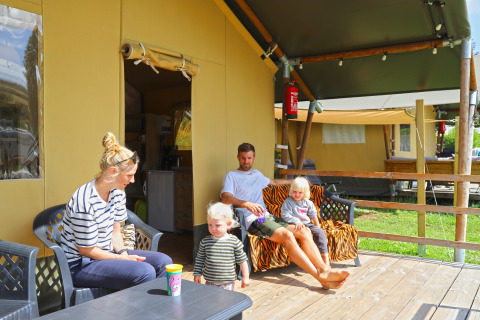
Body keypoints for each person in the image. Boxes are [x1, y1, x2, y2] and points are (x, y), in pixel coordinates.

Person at [221, 142, 349, 289]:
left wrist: (294, 181)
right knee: (287, 236)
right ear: (238, 157)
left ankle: (325, 270)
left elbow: (274, 182)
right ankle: (320, 277)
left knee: (304, 230)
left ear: (254, 158)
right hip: (252, 220)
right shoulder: (231, 176)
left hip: (266, 217)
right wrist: (247, 204)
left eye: (249, 158)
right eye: (243, 158)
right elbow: (225, 198)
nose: (246, 161)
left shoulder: (256, 174)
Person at [60, 132, 172, 290]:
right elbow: (87, 249)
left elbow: (115, 232)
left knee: (164, 262)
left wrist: (123, 252)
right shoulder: (84, 200)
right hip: (81, 264)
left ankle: (157, 309)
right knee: (145, 272)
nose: (133, 180)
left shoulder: (117, 192)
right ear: (112, 171)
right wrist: (121, 259)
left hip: (107, 255)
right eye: (129, 175)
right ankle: (138, 312)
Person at [194, 202, 250, 290]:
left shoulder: (233, 241)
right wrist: (197, 273)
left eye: (217, 225)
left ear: (228, 224)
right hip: (209, 282)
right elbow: (200, 259)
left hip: (227, 284)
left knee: (225, 303)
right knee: (209, 302)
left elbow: (242, 260)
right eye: (210, 225)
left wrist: (245, 277)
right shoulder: (205, 242)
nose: (213, 228)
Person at [281, 176, 330, 266]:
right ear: (291, 191)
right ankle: (309, 259)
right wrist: (296, 221)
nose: (297, 194)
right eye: (295, 191)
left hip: (307, 224)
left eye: (300, 192)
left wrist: (317, 226)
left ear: (305, 193)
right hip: (293, 225)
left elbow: (313, 215)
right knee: (306, 236)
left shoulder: (307, 202)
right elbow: (285, 215)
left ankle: (325, 257)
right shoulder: (288, 202)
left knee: (320, 232)